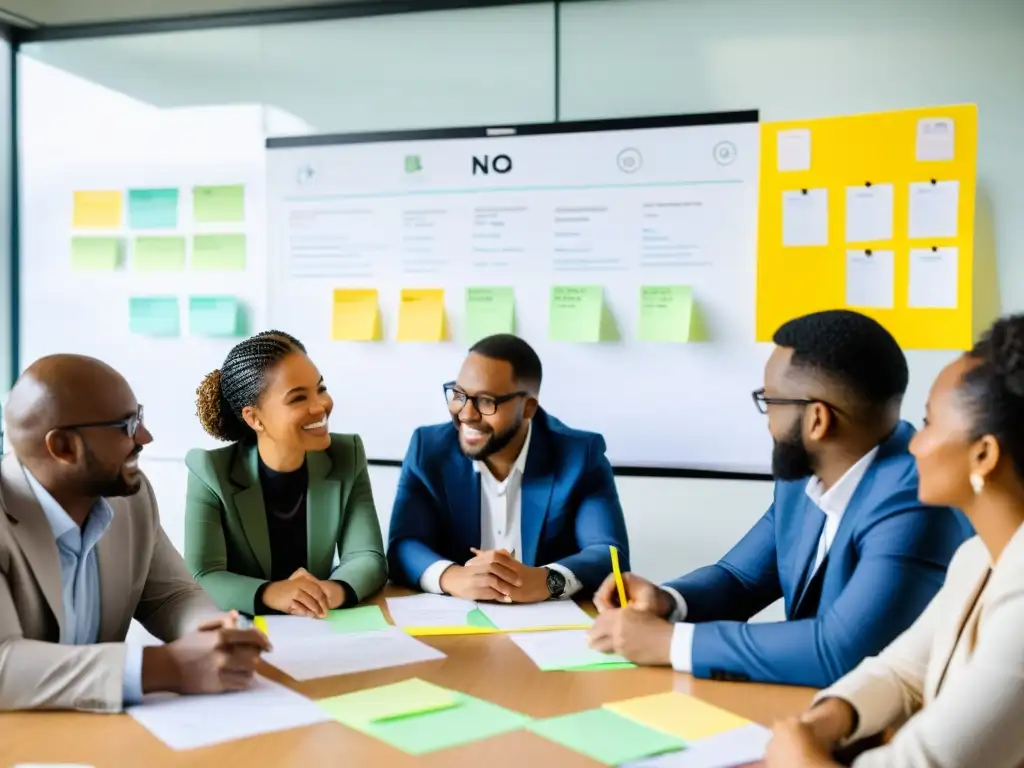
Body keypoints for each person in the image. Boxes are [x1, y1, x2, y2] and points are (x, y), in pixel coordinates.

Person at [588, 310, 973, 687]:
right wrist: (668, 602)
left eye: (769, 402)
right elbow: (739, 579)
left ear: (817, 420)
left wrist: (669, 642)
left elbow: (840, 651)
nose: (767, 420)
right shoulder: (804, 476)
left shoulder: (916, 500)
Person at [766, 313, 1024, 767]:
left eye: (927, 424)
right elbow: (903, 671)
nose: (913, 444)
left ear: (982, 455)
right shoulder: (977, 557)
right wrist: (828, 718)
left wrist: (797, 756)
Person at [0, 354, 270, 712]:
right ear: (63, 447)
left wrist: (212, 633)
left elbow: (171, 596)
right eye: (126, 426)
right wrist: (164, 667)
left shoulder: (131, 495)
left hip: (108, 734)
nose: (145, 437)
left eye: (138, 417)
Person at [387, 333, 629, 603]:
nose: (466, 414)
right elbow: (403, 545)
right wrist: (452, 577)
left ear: (528, 408)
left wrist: (546, 580)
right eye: (459, 394)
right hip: (457, 625)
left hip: (547, 628)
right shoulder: (429, 449)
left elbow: (609, 554)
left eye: (486, 401)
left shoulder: (578, 455)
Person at [185, 330, 387, 617]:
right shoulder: (210, 471)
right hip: (243, 630)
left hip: (317, 623)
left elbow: (367, 556)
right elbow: (203, 574)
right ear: (254, 418)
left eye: (321, 388)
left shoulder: (346, 454)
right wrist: (272, 592)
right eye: (297, 398)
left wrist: (331, 590)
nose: (320, 406)